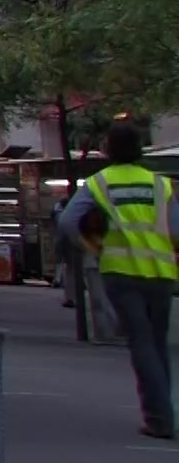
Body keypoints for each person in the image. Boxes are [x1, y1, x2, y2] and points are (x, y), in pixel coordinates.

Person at [60, 120, 179, 441]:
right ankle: (162, 412)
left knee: (140, 344)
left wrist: (94, 248)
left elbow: (69, 221)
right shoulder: (160, 184)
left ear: (108, 149)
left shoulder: (99, 183)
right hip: (162, 274)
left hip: (121, 273)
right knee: (156, 344)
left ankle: (160, 419)